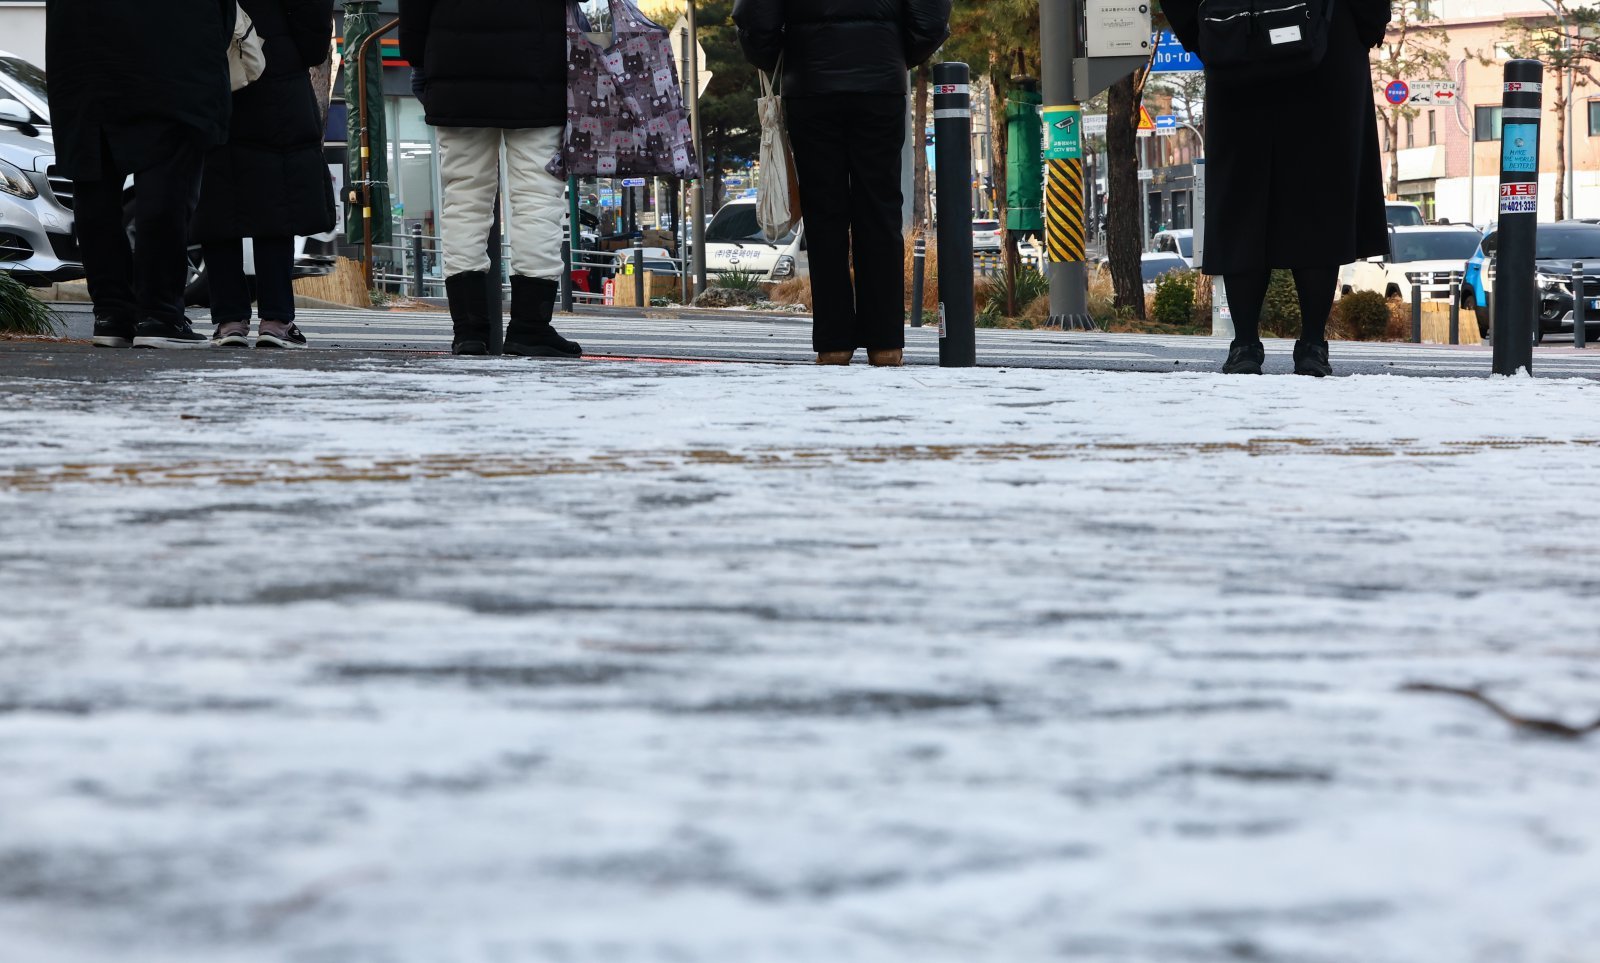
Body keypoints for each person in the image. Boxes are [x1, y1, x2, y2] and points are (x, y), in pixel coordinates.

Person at [1163, 0, 1390, 376]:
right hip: (1326, 37)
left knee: (1241, 195)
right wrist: (1362, 24)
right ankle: (1313, 343)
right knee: (1320, 194)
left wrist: (1205, 33)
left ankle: (1246, 344)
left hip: (1239, 35)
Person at [734, 0, 951, 367]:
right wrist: (893, 51)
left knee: (824, 215)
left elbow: (756, 15)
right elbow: (930, 17)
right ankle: (885, 344)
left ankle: (834, 343)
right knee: (880, 211)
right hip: (881, 81)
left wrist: (783, 55)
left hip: (811, 83)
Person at [47, 0, 236, 349]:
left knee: (95, 191)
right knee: (165, 191)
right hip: (173, 66)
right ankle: (159, 314)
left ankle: (111, 314)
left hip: (84, 65)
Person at [399, 0, 581, 358]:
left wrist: (421, 58)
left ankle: (469, 332)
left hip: (455, 65)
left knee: (464, 199)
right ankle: (530, 327)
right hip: (538, 68)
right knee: (538, 200)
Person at [194, 0, 337, 349]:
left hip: (213, 68)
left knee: (218, 196)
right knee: (276, 197)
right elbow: (314, 34)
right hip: (276, 70)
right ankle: (276, 320)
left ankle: (230, 320)